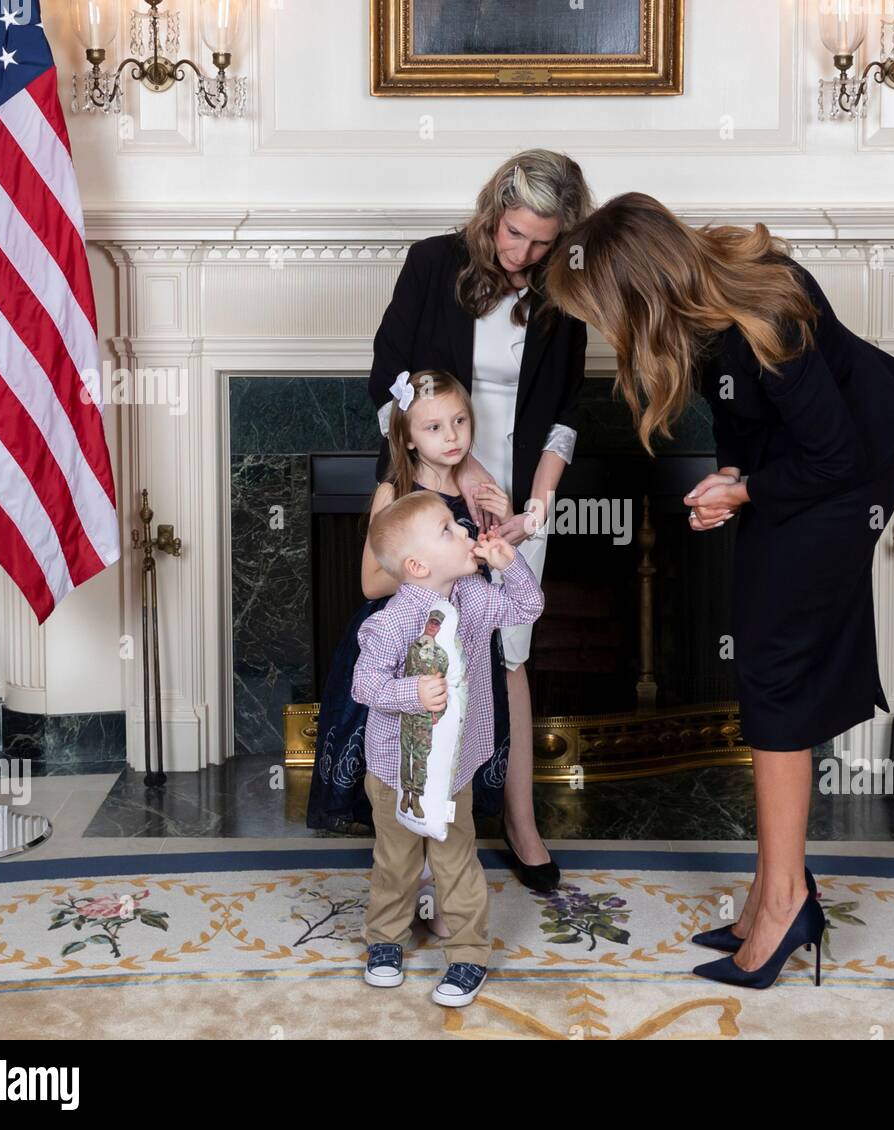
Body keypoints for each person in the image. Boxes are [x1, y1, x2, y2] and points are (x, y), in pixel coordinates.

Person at [545, 192, 894, 990]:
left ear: (637, 292)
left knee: (774, 679)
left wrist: (747, 494)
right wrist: (732, 477)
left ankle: (785, 901)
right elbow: (751, 427)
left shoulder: (767, 314)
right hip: (806, 478)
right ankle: (773, 891)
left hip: (846, 486)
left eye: (603, 313)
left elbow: (836, 456)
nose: (607, 334)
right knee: (761, 667)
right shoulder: (707, 312)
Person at [367, 150, 594, 891]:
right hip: (433, 488)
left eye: (539, 241)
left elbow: (564, 417)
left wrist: (537, 507)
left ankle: (520, 820)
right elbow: (385, 385)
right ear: (493, 209)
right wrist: (458, 469)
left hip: (516, 505)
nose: (520, 252)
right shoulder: (433, 264)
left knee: (511, 653)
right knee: (426, 651)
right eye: (512, 231)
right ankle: (420, 821)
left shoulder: (565, 293)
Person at [306, 369, 511, 937]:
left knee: (452, 769)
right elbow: (374, 582)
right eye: (435, 426)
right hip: (406, 646)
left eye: (460, 421)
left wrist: (506, 524)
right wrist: (430, 575)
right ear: (408, 436)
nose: (452, 436)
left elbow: (490, 559)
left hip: (463, 648)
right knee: (407, 768)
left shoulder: (475, 483)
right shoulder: (394, 491)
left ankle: (448, 895)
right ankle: (407, 890)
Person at [353, 489, 544, 1007]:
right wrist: (409, 694)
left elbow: (529, 605)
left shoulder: (476, 598)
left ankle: (467, 953)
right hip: (396, 769)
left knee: (455, 860)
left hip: (452, 768)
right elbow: (364, 686)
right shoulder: (391, 622)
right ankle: (385, 941)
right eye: (448, 530)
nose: (464, 531)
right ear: (416, 565)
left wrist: (511, 564)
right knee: (395, 860)